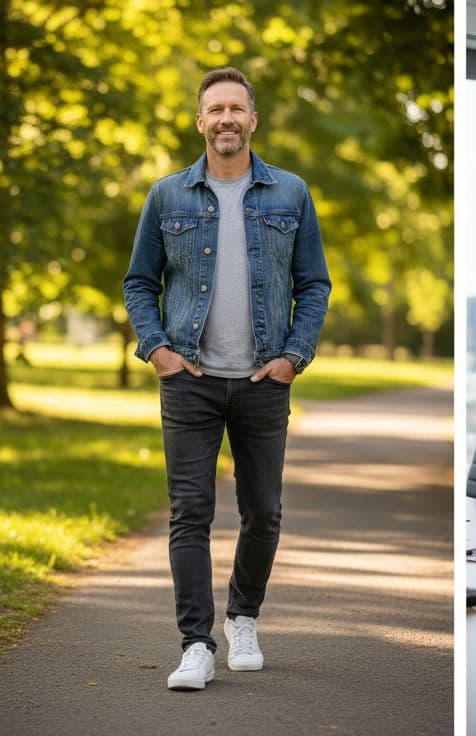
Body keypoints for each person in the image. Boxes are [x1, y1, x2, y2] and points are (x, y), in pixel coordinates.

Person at [124, 67, 331, 689]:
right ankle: (196, 643)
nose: (226, 119)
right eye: (215, 109)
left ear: (253, 120)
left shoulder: (291, 193)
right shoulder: (167, 196)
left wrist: (295, 356)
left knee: (263, 514)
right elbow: (140, 282)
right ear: (200, 121)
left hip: (263, 381)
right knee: (189, 512)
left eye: (236, 109)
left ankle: (243, 617)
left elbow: (313, 283)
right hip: (189, 377)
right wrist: (156, 348)